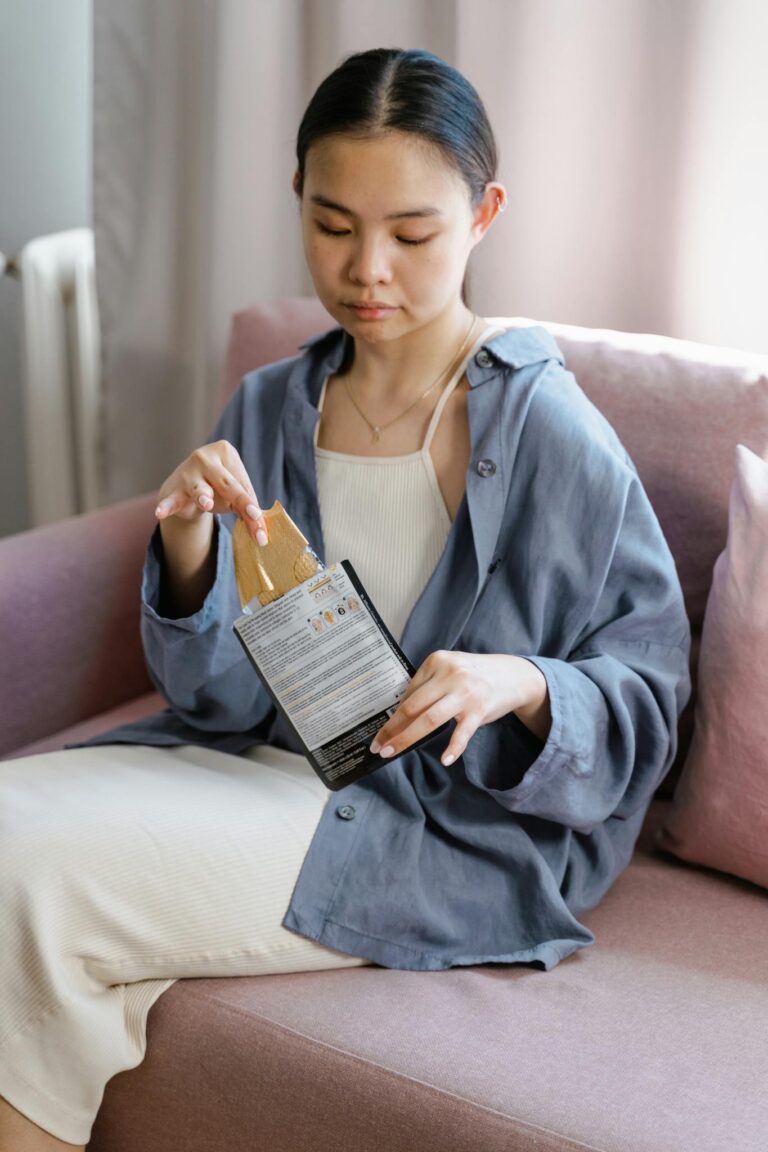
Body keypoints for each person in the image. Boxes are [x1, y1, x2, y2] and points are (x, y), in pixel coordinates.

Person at [0, 47, 691, 1151]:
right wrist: (185, 551)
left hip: (424, 828)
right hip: (252, 772)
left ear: (484, 215)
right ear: (298, 203)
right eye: (332, 225)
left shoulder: (549, 431)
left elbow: (647, 701)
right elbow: (219, 699)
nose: (368, 268)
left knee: (20, 875)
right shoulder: (274, 403)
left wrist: (522, 682)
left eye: (412, 235)